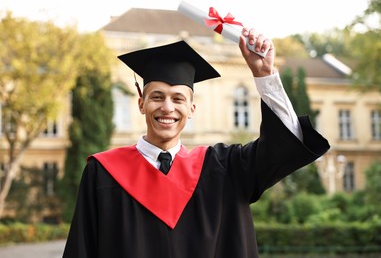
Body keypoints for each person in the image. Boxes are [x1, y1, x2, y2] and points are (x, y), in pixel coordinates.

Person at [63, 28, 329, 258]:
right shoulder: (103, 171)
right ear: (141, 102)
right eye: (157, 97)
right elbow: (81, 249)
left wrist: (265, 74)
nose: (167, 108)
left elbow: (285, 145)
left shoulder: (225, 169)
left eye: (178, 99)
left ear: (191, 108)